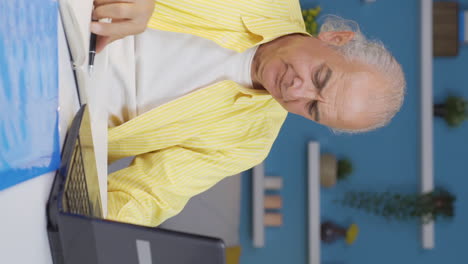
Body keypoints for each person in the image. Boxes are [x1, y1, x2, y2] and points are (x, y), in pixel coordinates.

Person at [90, 0, 406, 227]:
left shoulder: (249, 142)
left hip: (62, 122)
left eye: (312, 108)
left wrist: (92, 234)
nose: (296, 91)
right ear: (336, 39)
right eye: (319, 77)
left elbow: (148, 194)